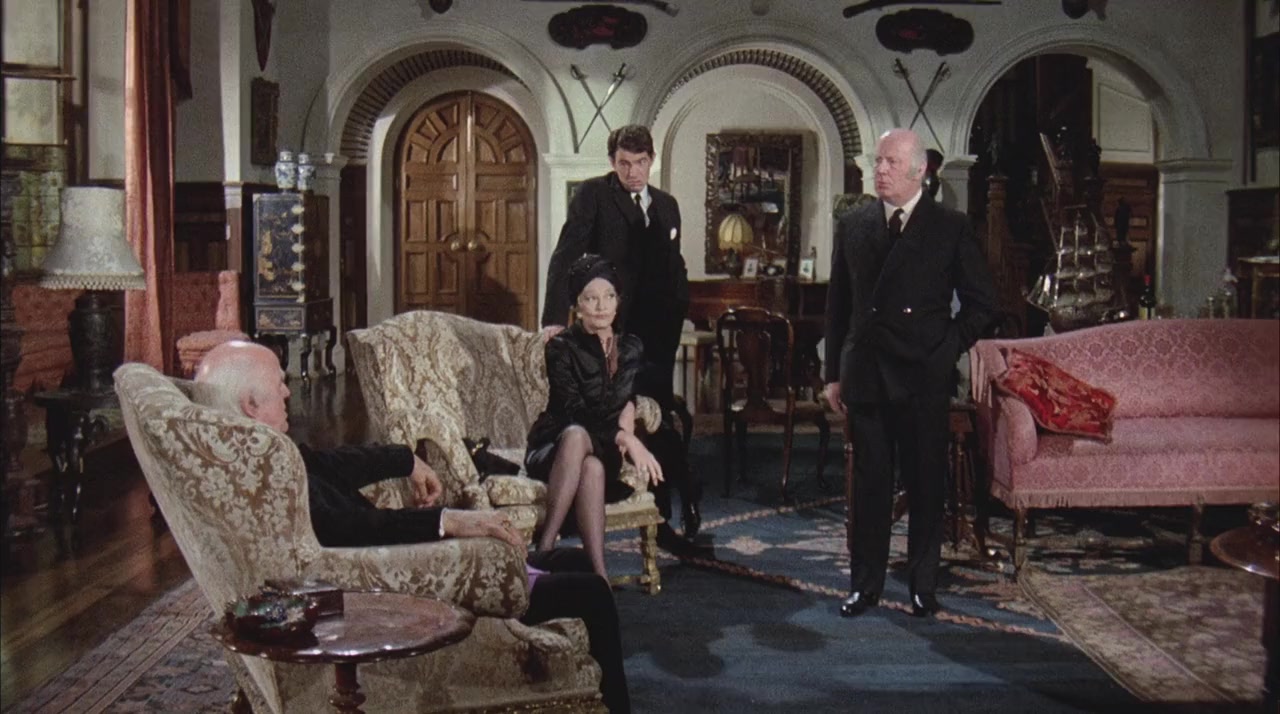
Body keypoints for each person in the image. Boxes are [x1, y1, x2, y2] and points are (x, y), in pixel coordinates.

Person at [193, 341, 631, 713]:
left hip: (390, 566)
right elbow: (360, 529)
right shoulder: (268, 475)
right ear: (251, 405)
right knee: (591, 591)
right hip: (401, 584)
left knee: (574, 561)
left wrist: (406, 460)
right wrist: (452, 521)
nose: (288, 391)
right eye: (279, 384)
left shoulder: (261, 457)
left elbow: (332, 464)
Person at [824, 128, 996, 618]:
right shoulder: (854, 224)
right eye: (878, 161)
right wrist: (833, 373)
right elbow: (838, 305)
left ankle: (923, 585)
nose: (879, 170)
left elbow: (983, 305)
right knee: (869, 486)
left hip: (923, 373)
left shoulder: (950, 226)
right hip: (867, 372)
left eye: (891, 163)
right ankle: (865, 586)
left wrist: (947, 349)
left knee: (925, 484)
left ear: (919, 171)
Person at [540, 124, 701, 544]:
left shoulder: (666, 205)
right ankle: (595, 505)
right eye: (625, 163)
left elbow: (674, 267)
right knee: (611, 415)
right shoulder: (594, 195)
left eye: (641, 162)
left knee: (656, 416)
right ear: (613, 162)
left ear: (651, 161)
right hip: (611, 332)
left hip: (658, 334)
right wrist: (554, 318)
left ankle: (663, 513)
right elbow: (566, 255)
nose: (633, 172)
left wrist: (679, 309)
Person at [526, 254, 664, 578]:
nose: (601, 306)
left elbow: (630, 392)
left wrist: (629, 410)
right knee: (577, 437)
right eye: (591, 298)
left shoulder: (631, 347)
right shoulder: (561, 347)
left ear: (618, 301)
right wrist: (625, 436)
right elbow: (573, 411)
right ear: (578, 304)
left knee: (593, 467)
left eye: (609, 296)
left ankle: (597, 579)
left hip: (602, 451)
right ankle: (546, 549)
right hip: (555, 447)